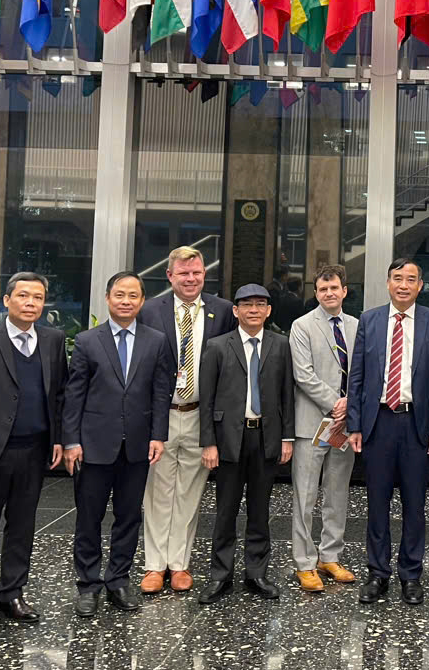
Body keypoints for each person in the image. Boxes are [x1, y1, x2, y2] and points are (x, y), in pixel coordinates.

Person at [0, 272, 68, 634]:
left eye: (38, 298)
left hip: (34, 449)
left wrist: (58, 437)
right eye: (23, 296)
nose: (31, 303)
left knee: (22, 526)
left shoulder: (53, 340)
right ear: (7, 300)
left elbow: (58, 395)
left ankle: (12, 592)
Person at [62, 271, 171, 617]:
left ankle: (118, 580)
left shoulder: (155, 340)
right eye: (119, 295)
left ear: (142, 301)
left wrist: (158, 435)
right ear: (108, 299)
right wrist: (71, 441)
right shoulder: (87, 341)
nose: (126, 301)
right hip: (93, 445)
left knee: (128, 517)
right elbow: (74, 395)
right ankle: (88, 585)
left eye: (133, 296)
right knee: (89, 518)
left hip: (137, 446)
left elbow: (159, 392)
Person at [346, 257, 429, 606]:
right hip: (379, 423)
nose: (403, 285)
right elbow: (356, 377)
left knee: (415, 505)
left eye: (411, 279)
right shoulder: (369, 320)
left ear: (420, 285)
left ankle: (411, 574)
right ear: (388, 283)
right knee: (376, 503)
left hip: (416, 425)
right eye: (397, 278)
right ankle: (377, 572)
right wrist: (355, 424)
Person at [138, 246, 236, 595]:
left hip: (199, 415)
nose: (191, 279)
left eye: (196, 273)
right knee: (158, 491)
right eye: (183, 273)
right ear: (170, 276)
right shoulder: (149, 311)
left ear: (203, 274)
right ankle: (154, 565)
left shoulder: (223, 311)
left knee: (190, 493)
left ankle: (179, 564)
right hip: (162, 414)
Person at [198, 284, 295, 604]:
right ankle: (220, 574)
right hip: (227, 439)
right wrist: (208, 443)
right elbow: (207, 400)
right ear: (235, 311)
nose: (253, 310)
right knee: (225, 509)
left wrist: (286, 437)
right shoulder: (216, 346)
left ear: (268, 311)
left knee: (259, 508)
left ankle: (257, 572)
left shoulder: (280, 345)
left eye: (260, 305)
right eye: (246, 305)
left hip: (265, 436)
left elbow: (286, 396)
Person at [289, 265, 358, 593]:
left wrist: (350, 405)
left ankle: (330, 556)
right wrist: (337, 403)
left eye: (334, 288)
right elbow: (303, 375)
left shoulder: (358, 327)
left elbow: (364, 371)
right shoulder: (302, 326)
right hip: (311, 424)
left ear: (345, 290)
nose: (329, 293)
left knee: (337, 492)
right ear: (315, 293)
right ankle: (304, 562)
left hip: (344, 425)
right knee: (305, 496)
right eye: (322, 289)